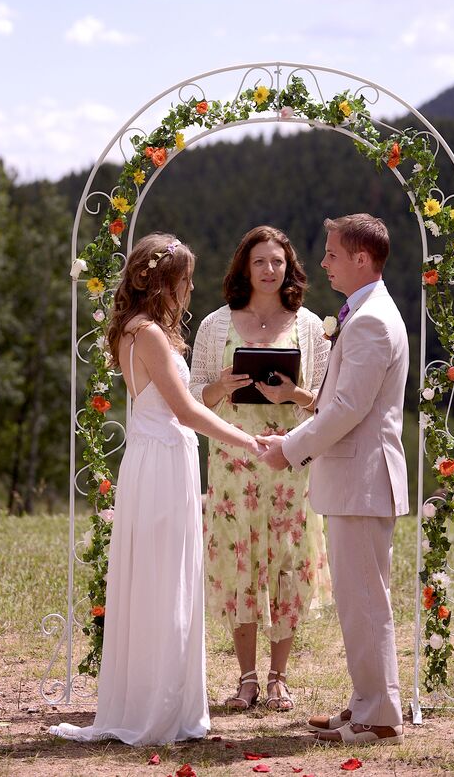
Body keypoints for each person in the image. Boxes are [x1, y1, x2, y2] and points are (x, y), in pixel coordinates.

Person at [50, 233, 262, 746]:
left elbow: (179, 404)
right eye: (186, 279)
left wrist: (222, 394)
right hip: (163, 459)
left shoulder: (137, 330)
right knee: (163, 576)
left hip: (158, 454)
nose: (190, 288)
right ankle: (158, 707)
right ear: (163, 280)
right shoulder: (147, 334)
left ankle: (161, 698)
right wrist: (251, 442)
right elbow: (186, 412)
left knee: (161, 573)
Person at [260, 213, 409, 745]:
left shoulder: (370, 321)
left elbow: (348, 408)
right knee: (361, 599)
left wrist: (290, 449)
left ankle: (379, 716)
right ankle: (367, 703)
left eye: (331, 254)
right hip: (359, 480)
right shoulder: (368, 312)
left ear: (361, 259)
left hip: (362, 480)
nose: (322, 263)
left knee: (366, 601)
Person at [189, 226, 332, 713]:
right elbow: (192, 397)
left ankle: (279, 678)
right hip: (233, 461)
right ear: (243, 269)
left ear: (289, 267)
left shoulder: (310, 326)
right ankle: (246, 678)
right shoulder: (215, 326)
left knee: (287, 564)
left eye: (277, 261)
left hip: (289, 459)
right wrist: (223, 386)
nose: (270, 270)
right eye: (260, 262)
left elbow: (327, 404)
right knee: (239, 563)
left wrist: (291, 394)